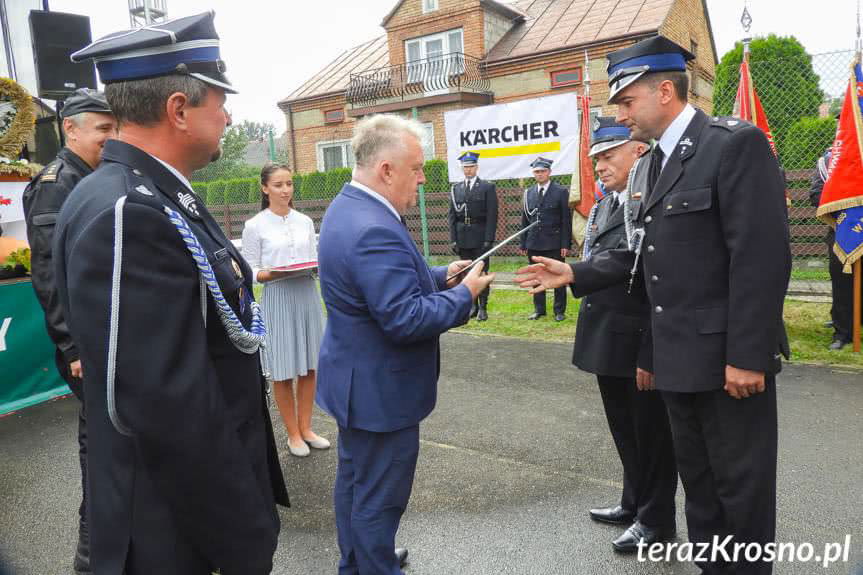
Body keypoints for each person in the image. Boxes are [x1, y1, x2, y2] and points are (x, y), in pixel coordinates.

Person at [516, 35, 790, 574]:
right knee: (702, 493)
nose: (621, 115)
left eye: (627, 101)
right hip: (677, 362)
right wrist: (576, 271)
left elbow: (761, 259)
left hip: (727, 364)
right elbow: (645, 256)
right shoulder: (657, 162)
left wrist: (747, 356)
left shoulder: (733, 145)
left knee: (741, 494)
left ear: (665, 91)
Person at [53, 12, 288, 574]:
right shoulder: (129, 209)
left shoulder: (149, 193)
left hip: (183, 513)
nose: (228, 116)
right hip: (174, 526)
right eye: (219, 101)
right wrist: (244, 533)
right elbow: (169, 406)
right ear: (179, 109)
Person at [316, 114, 494, 575]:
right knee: (379, 498)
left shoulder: (349, 207)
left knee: (355, 484)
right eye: (416, 168)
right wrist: (465, 295)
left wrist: (438, 277)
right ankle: (373, 563)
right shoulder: (373, 226)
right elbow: (404, 318)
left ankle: (359, 560)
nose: (422, 178)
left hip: (356, 382)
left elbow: (379, 287)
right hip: (380, 391)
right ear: (386, 170)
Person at [22, 88, 116, 574]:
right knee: (100, 442)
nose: (110, 137)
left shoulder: (93, 177)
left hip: (102, 335)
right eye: (102, 129)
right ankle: (90, 552)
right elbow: (48, 274)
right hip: (84, 342)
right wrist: (72, 344)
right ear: (70, 129)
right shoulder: (57, 185)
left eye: (113, 127)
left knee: (113, 439)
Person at [576, 117, 677, 552]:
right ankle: (632, 502)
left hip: (637, 337)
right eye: (596, 158)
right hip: (607, 337)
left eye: (608, 155)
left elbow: (650, 278)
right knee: (625, 430)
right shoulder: (605, 206)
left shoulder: (649, 202)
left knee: (651, 436)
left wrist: (649, 351)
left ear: (638, 152)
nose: (600, 166)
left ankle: (656, 520)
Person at [242, 163, 329, 457]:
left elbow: (314, 259)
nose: (285, 190)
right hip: (277, 296)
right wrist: (271, 273)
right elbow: (250, 271)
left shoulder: (304, 221)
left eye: (289, 184)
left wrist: (317, 268)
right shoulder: (255, 225)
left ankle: (307, 428)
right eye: (278, 185)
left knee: (310, 365)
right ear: (265, 188)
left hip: (306, 293)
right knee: (282, 369)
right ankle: (293, 434)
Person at [809, 148, 860, 350]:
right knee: (842, 280)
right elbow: (816, 195)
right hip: (842, 229)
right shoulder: (830, 160)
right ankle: (843, 331)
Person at [447, 151, 498, 321]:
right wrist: (453, 239)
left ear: (477, 167)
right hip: (463, 237)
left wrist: (489, 239)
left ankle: (483, 307)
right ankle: (472, 305)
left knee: (481, 272)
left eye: (471, 166)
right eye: (465, 167)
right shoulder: (456, 189)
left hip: (480, 236)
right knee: (466, 273)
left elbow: (492, 215)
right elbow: (452, 216)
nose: (468, 170)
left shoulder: (487, 187)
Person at [519, 156, 571, 321]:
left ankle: (559, 311)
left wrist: (565, 244)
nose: (539, 174)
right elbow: (525, 220)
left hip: (554, 242)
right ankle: (539, 309)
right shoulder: (529, 193)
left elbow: (566, 220)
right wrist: (523, 243)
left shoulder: (560, 191)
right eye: (536, 172)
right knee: (536, 276)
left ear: (549, 172)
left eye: (542, 171)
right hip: (534, 242)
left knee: (558, 277)